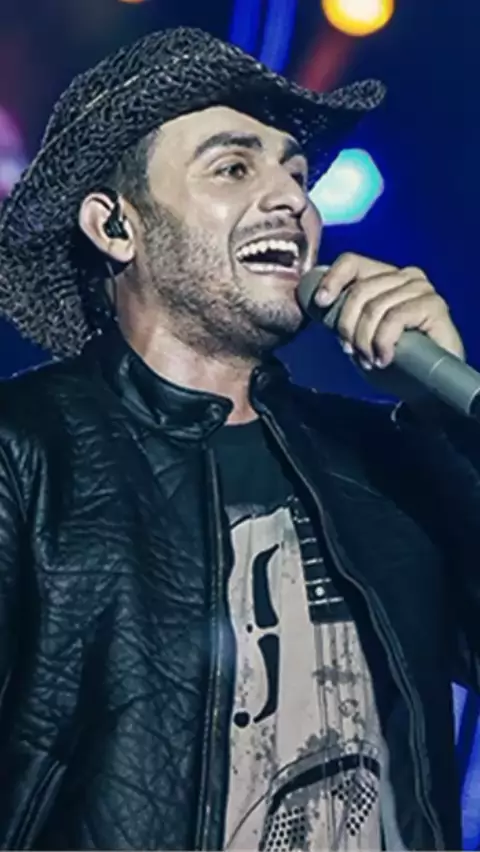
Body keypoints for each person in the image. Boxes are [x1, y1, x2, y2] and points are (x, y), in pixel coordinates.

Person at [0, 25, 477, 852]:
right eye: (233, 167)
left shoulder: (389, 457)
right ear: (115, 227)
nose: (292, 199)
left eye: (297, 173)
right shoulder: (25, 454)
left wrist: (450, 426)